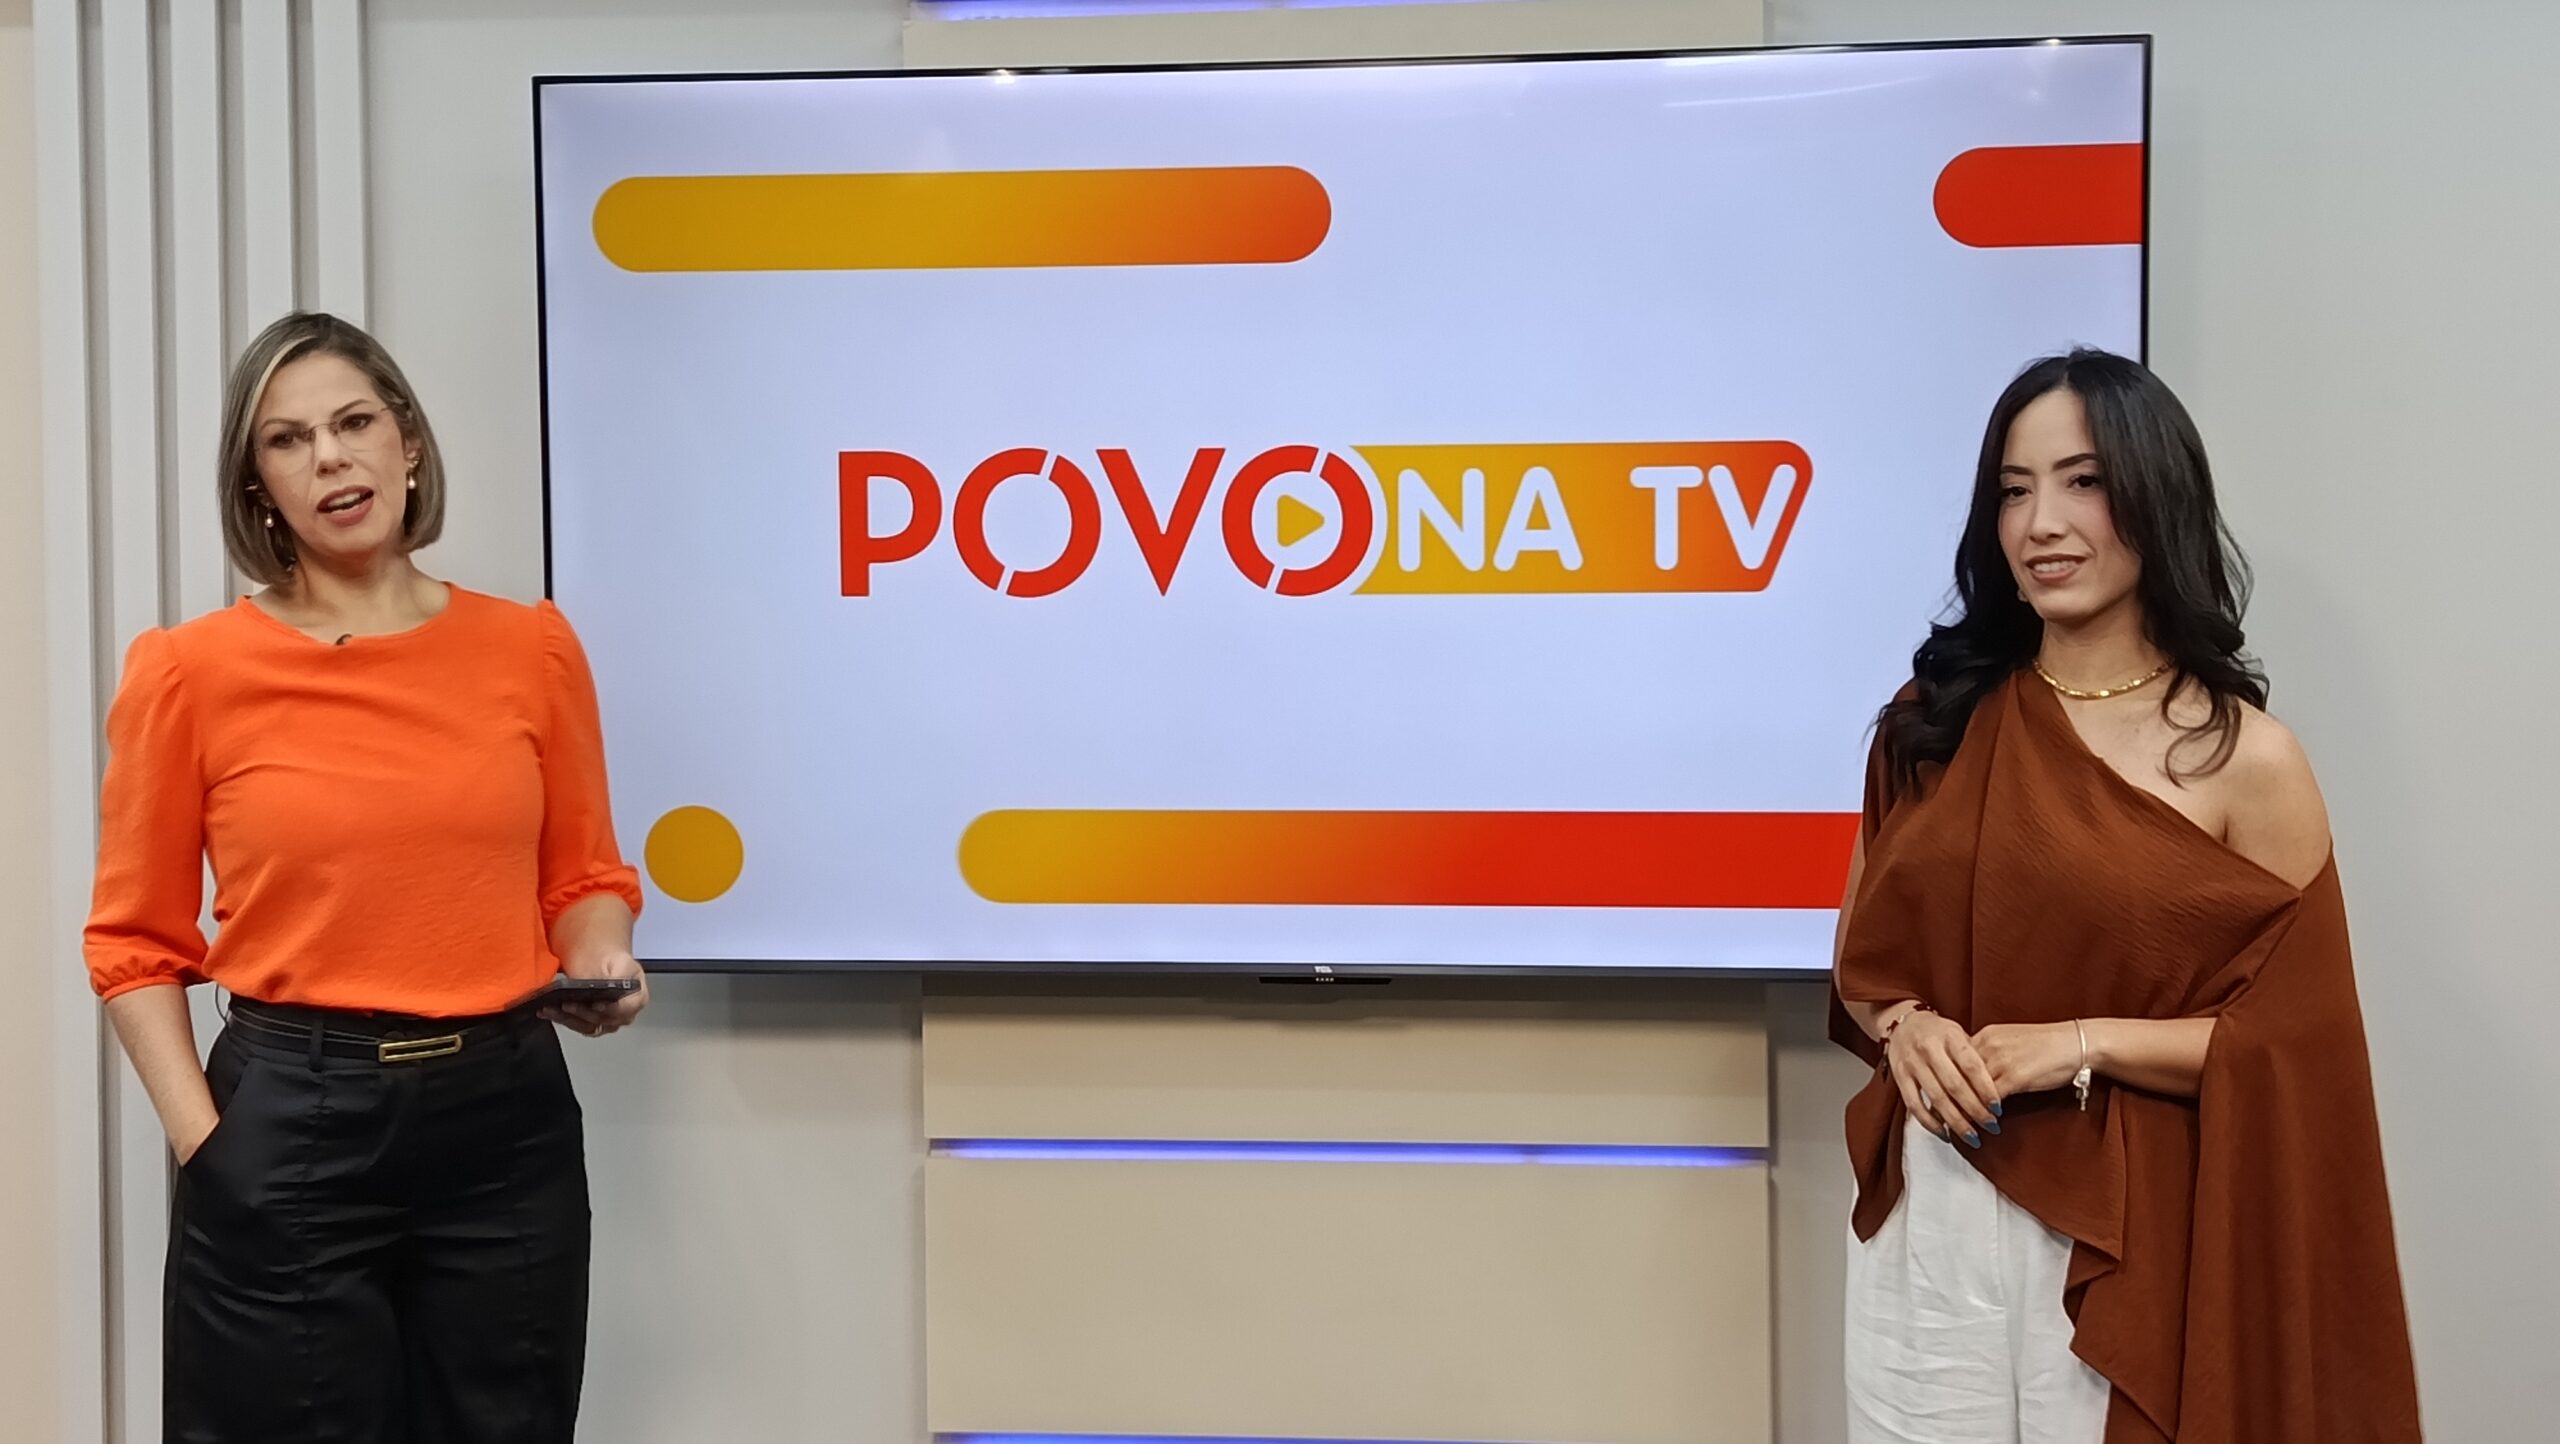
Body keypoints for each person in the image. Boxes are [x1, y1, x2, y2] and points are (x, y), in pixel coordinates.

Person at [1830, 349, 2421, 1442]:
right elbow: (1863, 965)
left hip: (2128, 1227)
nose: (2041, 524)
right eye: (2013, 491)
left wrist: (2076, 1044)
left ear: (2156, 496)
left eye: (2083, 481)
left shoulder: (2246, 758)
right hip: (1929, 1213)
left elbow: (2293, 1045)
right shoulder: (1932, 722)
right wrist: (1905, 1028)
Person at [83, 310, 650, 1443]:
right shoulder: (189, 673)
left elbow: (583, 874)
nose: (330, 458)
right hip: (291, 1119)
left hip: (506, 1127)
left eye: (353, 423)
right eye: (288, 441)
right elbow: (132, 943)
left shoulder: (532, 648)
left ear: (409, 445)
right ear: (259, 489)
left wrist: (602, 959)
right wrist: (207, 1145)